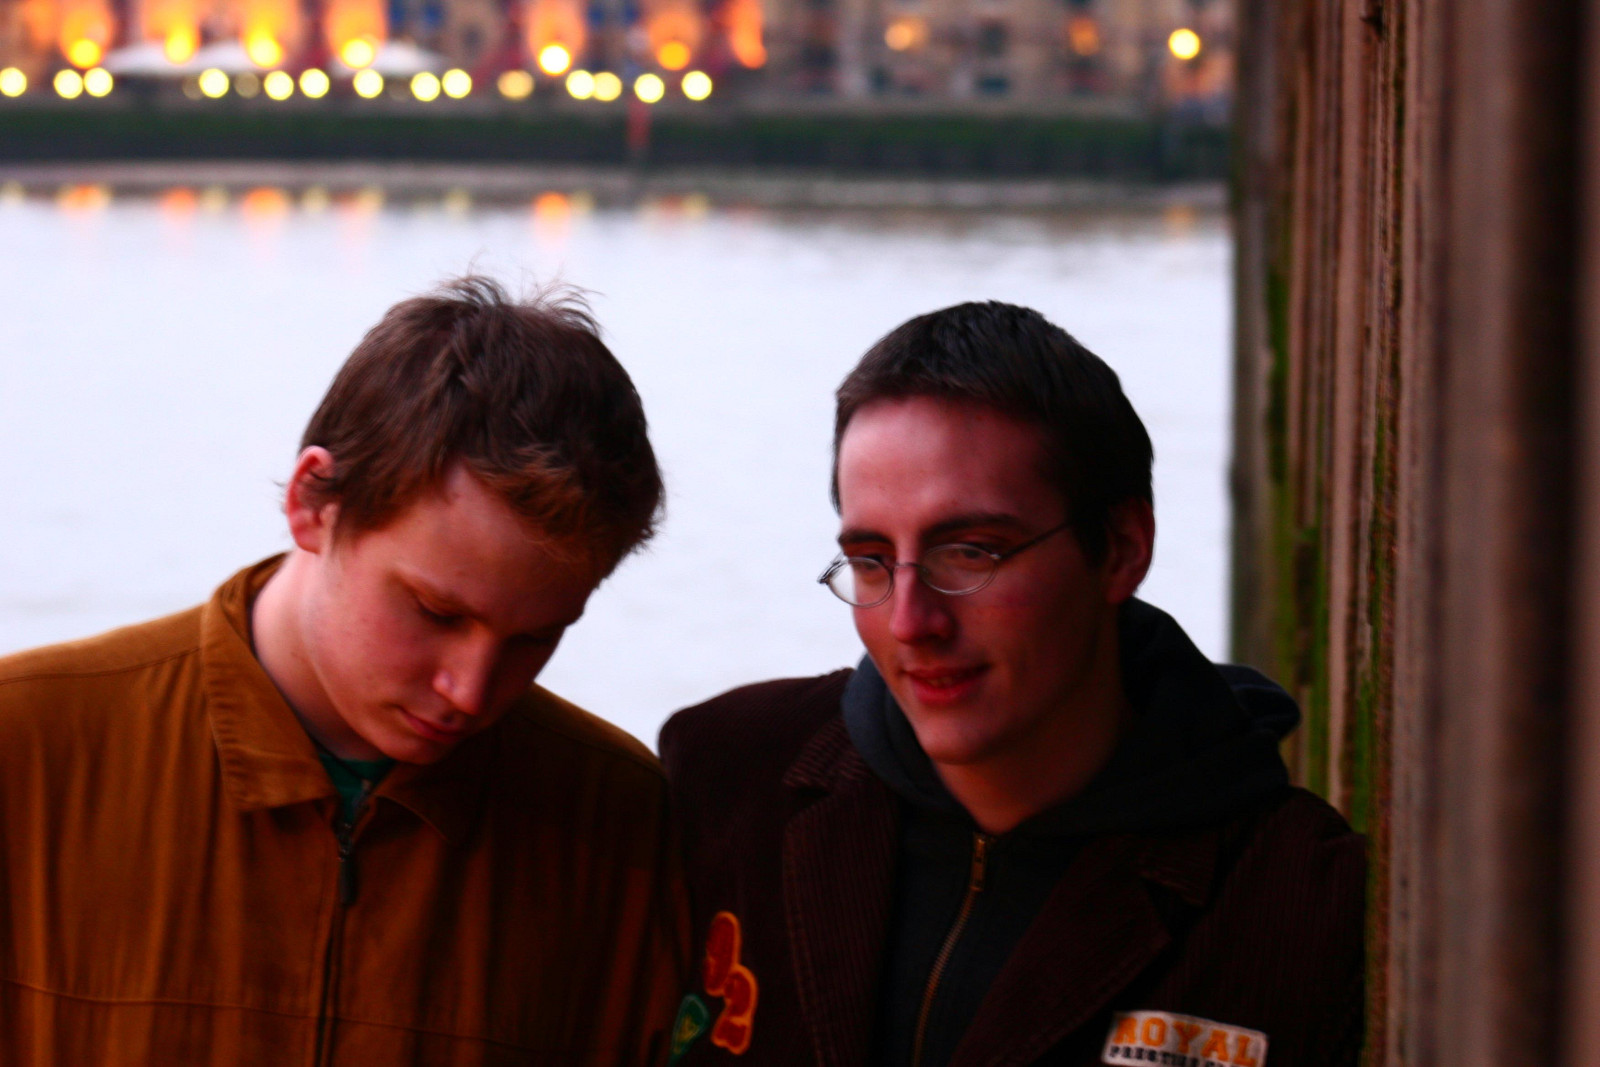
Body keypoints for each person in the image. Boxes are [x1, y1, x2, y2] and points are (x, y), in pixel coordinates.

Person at [0, 277, 687, 1065]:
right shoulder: (22, 748)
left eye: (535, 637)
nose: (470, 690)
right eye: (435, 611)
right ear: (312, 502)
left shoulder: (623, 823)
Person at [660, 302, 1365, 1067]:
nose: (910, 621)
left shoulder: (1299, 901)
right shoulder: (727, 779)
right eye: (870, 561)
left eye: (970, 551)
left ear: (1122, 548)